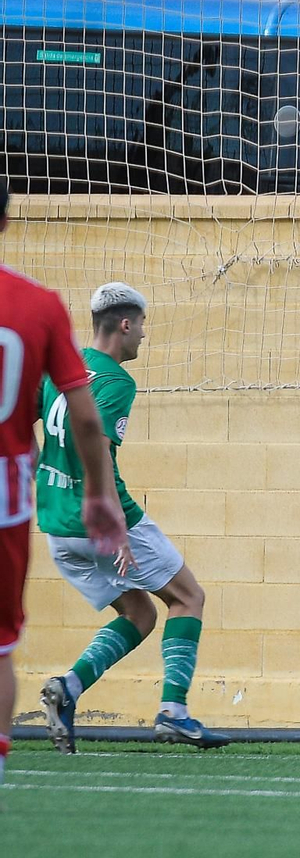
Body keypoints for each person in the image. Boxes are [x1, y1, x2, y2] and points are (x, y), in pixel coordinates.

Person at [36, 283, 230, 751]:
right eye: (141, 325)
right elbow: (97, 450)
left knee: (139, 612)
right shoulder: (116, 382)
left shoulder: (58, 371)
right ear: (125, 324)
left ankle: (68, 689)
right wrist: (115, 528)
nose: (143, 335)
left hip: (56, 527)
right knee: (188, 597)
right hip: (102, 519)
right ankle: (174, 712)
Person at [0, 180, 128, 785]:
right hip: (15, 503)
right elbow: (84, 419)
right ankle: (174, 708)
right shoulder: (39, 307)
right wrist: (103, 500)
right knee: (1, 647)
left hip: (45, 514)